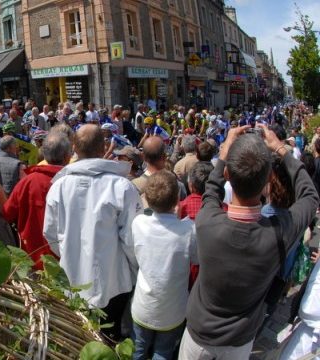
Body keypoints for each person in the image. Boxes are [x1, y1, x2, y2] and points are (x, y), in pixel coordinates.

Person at [178, 125, 319, 359]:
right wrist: (280, 148)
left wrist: (224, 153)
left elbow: (211, 190)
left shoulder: (206, 221)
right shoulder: (280, 232)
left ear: (227, 176)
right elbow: (310, 196)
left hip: (199, 335)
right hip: (239, 342)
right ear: (267, 181)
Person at [43, 124, 141, 340]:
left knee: (79, 338)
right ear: (104, 146)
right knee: (109, 337)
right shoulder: (122, 187)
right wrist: (134, 271)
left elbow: (50, 235)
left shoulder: (59, 187)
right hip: (114, 279)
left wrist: (71, 254)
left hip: (73, 277)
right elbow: (131, 241)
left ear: (74, 147)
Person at [131, 170, 197, 360]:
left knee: (139, 349)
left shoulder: (139, 223)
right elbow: (197, 259)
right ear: (177, 199)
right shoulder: (188, 230)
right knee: (163, 352)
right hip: (173, 309)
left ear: (148, 199)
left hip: (144, 305)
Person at [3, 133, 71, 269]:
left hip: (32, 258)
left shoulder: (27, 181)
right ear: (67, 157)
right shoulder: (75, 182)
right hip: (68, 260)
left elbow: (7, 213)